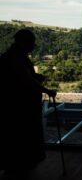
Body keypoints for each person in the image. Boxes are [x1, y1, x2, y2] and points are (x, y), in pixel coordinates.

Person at [0, 29, 57, 176]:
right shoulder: (16, 57)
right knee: (22, 135)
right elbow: (26, 80)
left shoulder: (13, 56)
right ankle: (20, 166)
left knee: (16, 135)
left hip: (16, 104)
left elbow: (25, 77)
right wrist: (47, 90)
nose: (34, 45)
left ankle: (17, 165)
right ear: (23, 42)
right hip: (20, 105)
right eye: (31, 42)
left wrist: (36, 76)